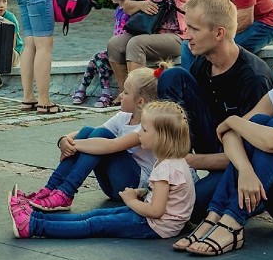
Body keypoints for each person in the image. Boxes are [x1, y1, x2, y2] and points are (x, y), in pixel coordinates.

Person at [174, 30, 273, 256]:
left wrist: (232, 120)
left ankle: (231, 222)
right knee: (260, 121)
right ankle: (214, 217)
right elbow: (231, 135)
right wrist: (245, 170)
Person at [157, 0, 273, 222]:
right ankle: (174, 170)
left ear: (219, 33)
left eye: (194, 29)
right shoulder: (203, 63)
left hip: (239, 164)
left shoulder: (253, 79)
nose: (185, 35)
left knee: (190, 208)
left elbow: (253, 155)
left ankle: (183, 172)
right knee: (172, 77)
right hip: (212, 143)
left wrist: (190, 161)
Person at [8, 100, 195, 240]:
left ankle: (33, 226)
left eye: (144, 130)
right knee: (95, 215)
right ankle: (34, 216)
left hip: (154, 226)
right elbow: (165, 195)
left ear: (161, 137)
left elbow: (155, 211)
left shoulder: (167, 167)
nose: (139, 134)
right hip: (152, 220)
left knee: (95, 224)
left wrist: (131, 200)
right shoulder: (170, 161)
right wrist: (140, 192)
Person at [13, 66, 163, 213]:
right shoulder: (124, 117)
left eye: (125, 92)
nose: (121, 95)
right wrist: (66, 139)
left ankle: (66, 192)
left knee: (101, 137)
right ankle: (50, 189)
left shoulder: (146, 127)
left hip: (134, 186)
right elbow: (90, 133)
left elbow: (112, 145)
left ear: (140, 102)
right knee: (89, 131)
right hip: (113, 187)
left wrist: (76, 145)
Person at [108, 0, 191, 100]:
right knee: (115, 44)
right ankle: (124, 91)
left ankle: (139, 96)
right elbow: (127, 6)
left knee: (136, 44)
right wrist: (141, 5)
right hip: (150, 35)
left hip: (176, 37)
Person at [72, 0, 134, 108]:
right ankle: (84, 89)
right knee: (96, 59)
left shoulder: (130, 9)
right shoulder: (118, 9)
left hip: (125, 50)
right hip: (115, 49)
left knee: (98, 57)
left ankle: (102, 92)